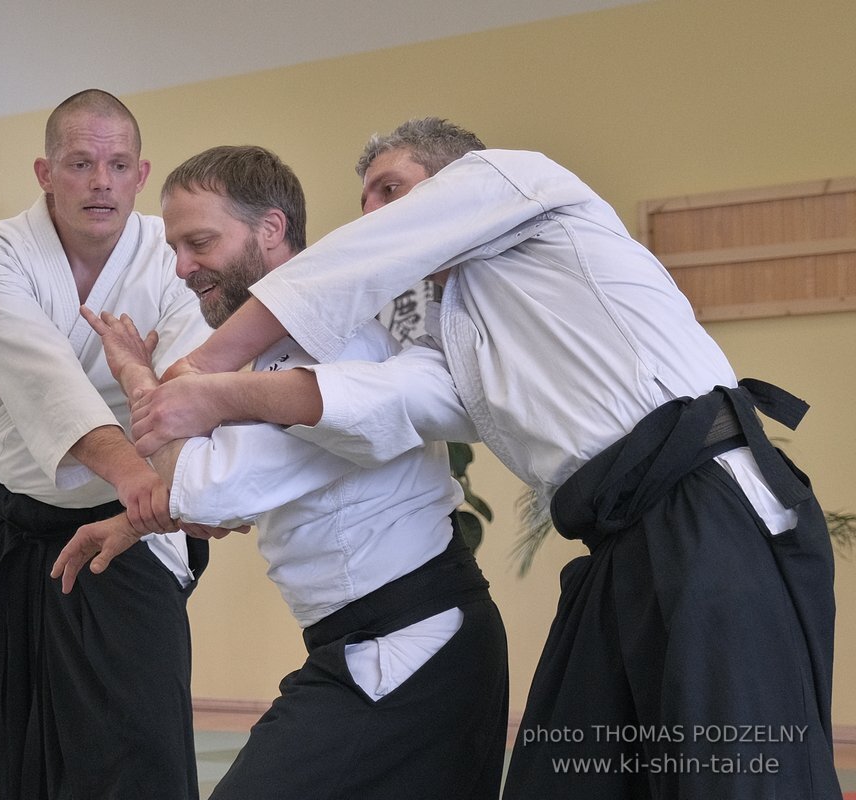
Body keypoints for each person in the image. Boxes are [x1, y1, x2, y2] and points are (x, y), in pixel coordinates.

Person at [126, 120, 842, 799]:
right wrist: (188, 430)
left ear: (455, 175)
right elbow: (379, 402)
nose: (375, 212)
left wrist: (200, 377)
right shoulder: (456, 336)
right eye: (366, 198)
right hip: (620, 542)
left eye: (391, 189)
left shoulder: (518, 179)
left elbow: (344, 281)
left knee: (737, 772)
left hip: (705, 509)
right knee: (569, 777)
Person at [53, 145, 509, 799]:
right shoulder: (264, 362)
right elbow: (216, 496)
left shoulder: (336, 350)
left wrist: (134, 374)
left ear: (270, 229)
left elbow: (202, 485)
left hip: (409, 646)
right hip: (376, 644)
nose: (183, 268)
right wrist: (136, 520)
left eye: (200, 242)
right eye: (175, 249)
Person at [0, 89, 215, 800]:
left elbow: (189, 386)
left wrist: (142, 500)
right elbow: (45, 383)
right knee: (6, 745)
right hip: (21, 533)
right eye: (80, 163)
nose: (101, 181)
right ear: (45, 173)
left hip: (127, 534)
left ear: (140, 173)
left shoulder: (174, 256)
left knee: (137, 743)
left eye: (117, 164)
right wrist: (142, 480)